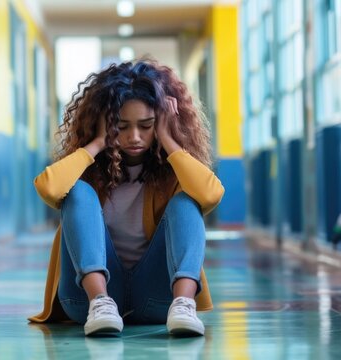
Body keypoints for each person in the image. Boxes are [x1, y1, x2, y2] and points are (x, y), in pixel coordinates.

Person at [27, 59, 224, 336]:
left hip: (159, 298)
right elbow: (49, 188)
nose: (134, 137)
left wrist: (168, 139)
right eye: (121, 126)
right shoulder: (88, 170)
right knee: (78, 190)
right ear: (106, 124)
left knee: (187, 200)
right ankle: (100, 301)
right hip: (85, 301)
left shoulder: (174, 171)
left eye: (146, 126)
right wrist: (95, 143)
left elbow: (210, 194)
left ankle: (184, 303)